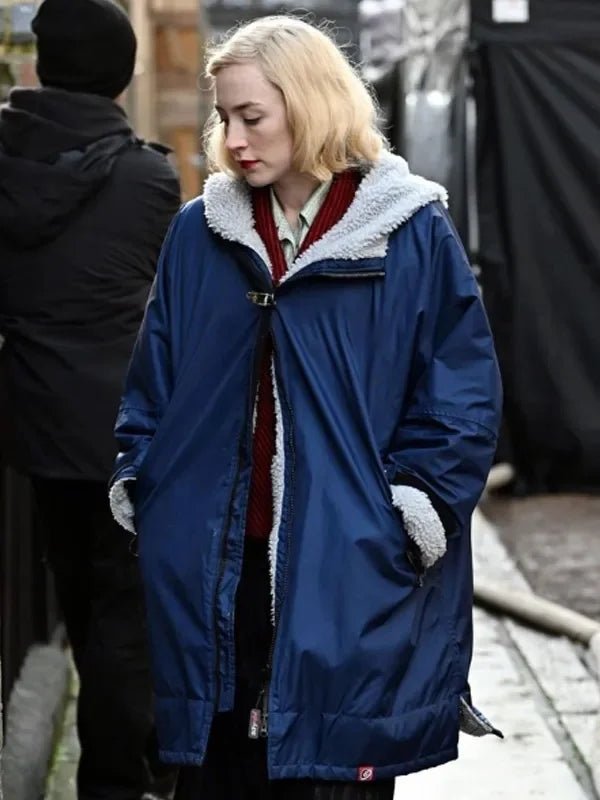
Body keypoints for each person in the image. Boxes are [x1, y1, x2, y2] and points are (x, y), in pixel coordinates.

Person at [109, 15, 502, 800]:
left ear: (312, 104)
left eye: (252, 116)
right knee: (218, 777)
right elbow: (154, 380)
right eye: (225, 117)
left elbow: (461, 395)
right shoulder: (200, 232)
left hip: (351, 563)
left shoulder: (409, 232)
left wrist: (411, 514)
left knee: (332, 777)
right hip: (213, 565)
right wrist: (145, 487)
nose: (234, 139)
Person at [0, 1, 181, 798]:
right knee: (122, 612)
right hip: (123, 426)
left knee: (77, 595)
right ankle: (118, 778)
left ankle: (130, 763)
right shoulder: (147, 179)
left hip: (31, 424)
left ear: (41, 65)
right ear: (121, 76)